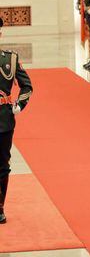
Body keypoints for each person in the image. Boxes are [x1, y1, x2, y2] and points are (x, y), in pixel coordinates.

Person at [0, 17, 33, 223]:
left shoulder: (10, 59)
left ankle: (0, 206)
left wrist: (19, 105)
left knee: (2, 165)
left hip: (2, 119)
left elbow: (27, 85)